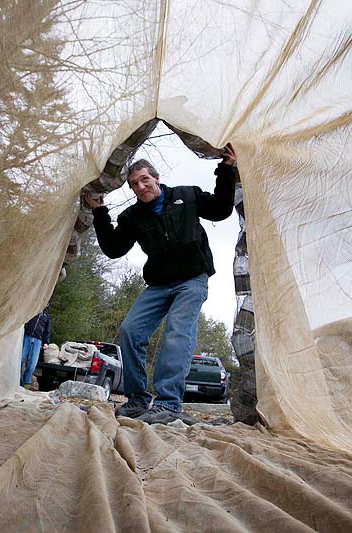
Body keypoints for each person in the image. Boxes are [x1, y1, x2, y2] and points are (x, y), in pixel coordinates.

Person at [83, 144, 237, 421]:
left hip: (192, 279)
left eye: (144, 180)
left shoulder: (186, 196)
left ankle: (168, 403)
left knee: (177, 332)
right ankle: (138, 399)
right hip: (158, 284)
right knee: (130, 330)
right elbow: (114, 248)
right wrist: (99, 212)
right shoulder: (131, 217)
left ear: (156, 178)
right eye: (134, 184)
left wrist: (225, 170)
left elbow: (220, 210)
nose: (141, 187)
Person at [20, 308, 51, 388]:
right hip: (26, 336)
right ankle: (18, 381)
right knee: (20, 359)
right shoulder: (32, 311)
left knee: (32, 364)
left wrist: (46, 342)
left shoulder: (46, 317)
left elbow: (47, 331)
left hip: (38, 340)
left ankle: (25, 384)